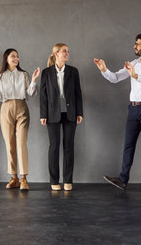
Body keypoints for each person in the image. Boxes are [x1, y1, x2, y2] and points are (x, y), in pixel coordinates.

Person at [94, 33, 141, 193]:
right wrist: (104, 70)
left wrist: (135, 75)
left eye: (137, 44)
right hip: (133, 108)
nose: (134, 46)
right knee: (128, 145)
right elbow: (116, 78)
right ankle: (123, 180)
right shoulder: (134, 63)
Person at [0, 49, 40, 191]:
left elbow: (30, 94)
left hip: (22, 107)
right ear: (6, 58)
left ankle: (24, 178)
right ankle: (14, 178)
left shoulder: (24, 75)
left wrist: (34, 80)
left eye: (17, 56)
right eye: (13, 56)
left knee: (21, 143)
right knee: (10, 144)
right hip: (6, 108)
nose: (16, 58)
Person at [40, 43, 83, 191]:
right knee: (54, 147)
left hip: (70, 114)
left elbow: (78, 93)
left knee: (69, 147)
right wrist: (43, 114)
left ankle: (68, 180)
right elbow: (43, 96)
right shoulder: (46, 73)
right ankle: (54, 181)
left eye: (68, 52)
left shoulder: (73, 71)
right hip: (52, 114)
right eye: (64, 51)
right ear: (56, 54)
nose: (67, 54)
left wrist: (79, 112)